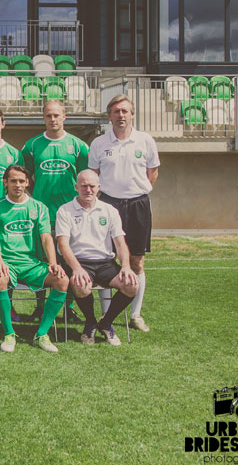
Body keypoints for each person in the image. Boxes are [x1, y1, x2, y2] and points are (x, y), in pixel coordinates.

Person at [88, 94, 160, 334]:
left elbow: (153, 173)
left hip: (138, 205)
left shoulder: (146, 140)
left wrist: (136, 192)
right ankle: (106, 316)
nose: (121, 115)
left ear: (132, 114)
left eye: (125, 111)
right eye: (116, 111)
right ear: (109, 116)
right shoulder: (99, 143)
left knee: (137, 261)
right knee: (105, 259)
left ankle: (136, 314)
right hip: (108, 205)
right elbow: (93, 174)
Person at [0, 164, 69, 354]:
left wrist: (53, 263)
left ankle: (42, 333)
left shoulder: (38, 207)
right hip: (6, 262)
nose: (18, 185)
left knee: (62, 280)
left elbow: (46, 237)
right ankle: (9, 334)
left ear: (28, 183)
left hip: (31, 264)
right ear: (5, 183)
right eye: (13, 181)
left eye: (21, 181)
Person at [55, 170, 138, 346]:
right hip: (79, 262)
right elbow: (63, 245)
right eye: (84, 186)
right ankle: (90, 322)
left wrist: (125, 266)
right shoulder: (65, 210)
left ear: (99, 187)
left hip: (105, 263)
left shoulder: (109, 210)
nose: (88, 189)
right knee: (80, 285)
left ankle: (106, 323)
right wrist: (76, 269)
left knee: (132, 285)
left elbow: (120, 243)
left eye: (92, 186)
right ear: (76, 187)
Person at [21, 100, 90, 230]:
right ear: (43, 118)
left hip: (71, 210)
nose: (52, 119)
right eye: (48, 116)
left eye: (56, 115)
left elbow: (85, 178)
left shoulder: (79, 145)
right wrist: (38, 192)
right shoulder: (31, 146)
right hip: (41, 210)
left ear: (64, 116)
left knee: (69, 249)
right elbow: (24, 178)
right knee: (44, 249)